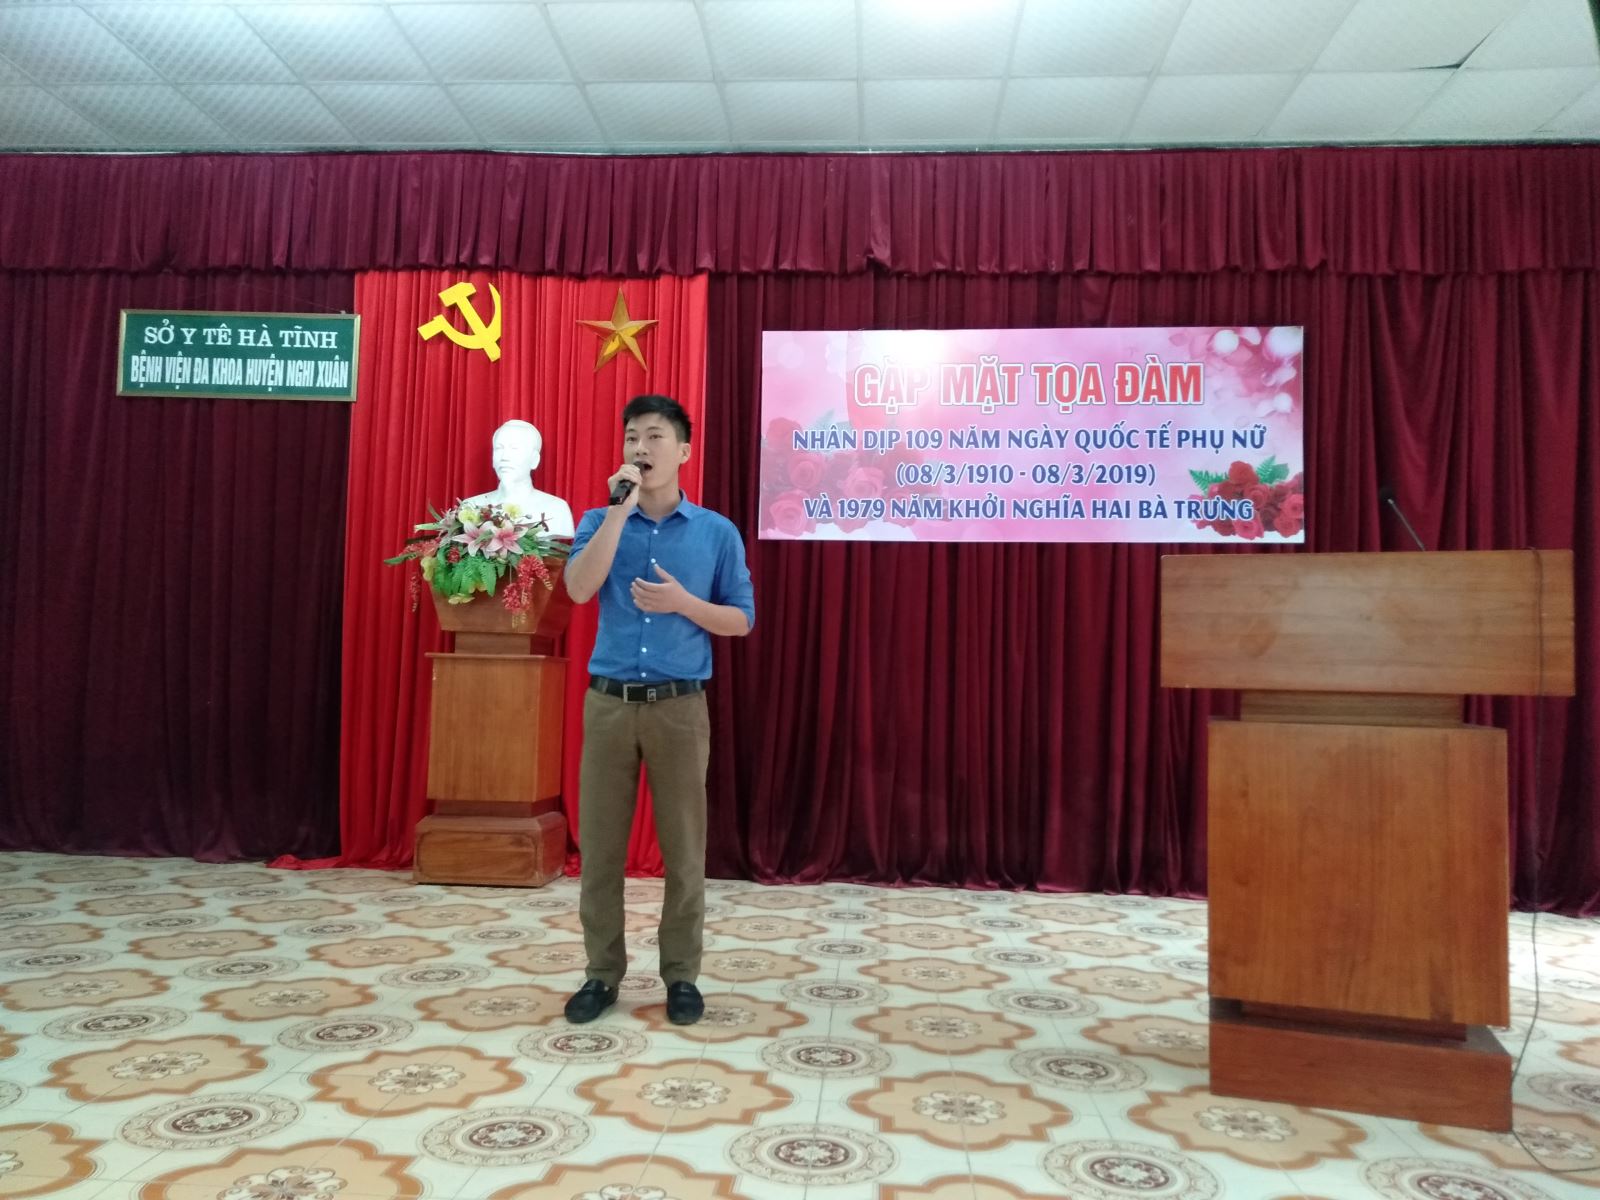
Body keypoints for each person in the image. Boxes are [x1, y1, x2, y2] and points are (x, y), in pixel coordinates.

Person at [561, 394, 755, 1026]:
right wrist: (618, 513)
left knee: (684, 851)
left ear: (684, 451)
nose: (639, 448)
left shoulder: (716, 532)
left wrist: (683, 603)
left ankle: (681, 976)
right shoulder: (599, 519)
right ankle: (601, 974)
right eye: (630, 438)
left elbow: (740, 620)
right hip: (609, 706)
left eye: (653, 436)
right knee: (601, 852)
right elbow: (578, 588)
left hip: (679, 708)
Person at [461, 419, 576, 538]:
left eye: (515, 449)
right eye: (499, 448)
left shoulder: (556, 509)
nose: (504, 457)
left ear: (534, 459)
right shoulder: (471, 506)